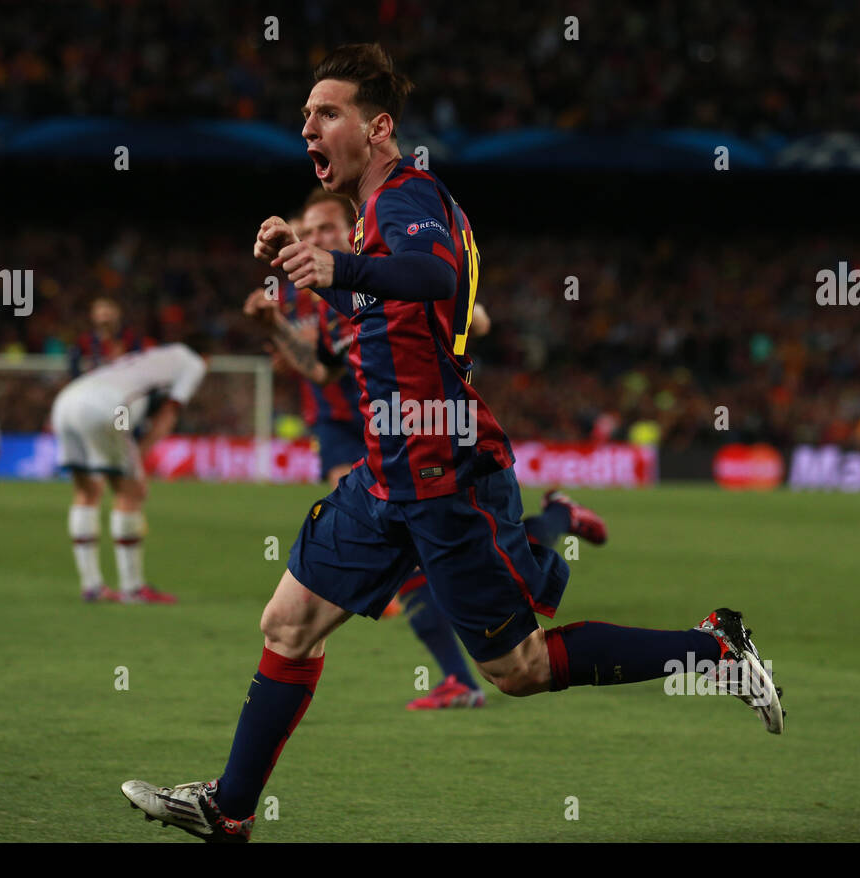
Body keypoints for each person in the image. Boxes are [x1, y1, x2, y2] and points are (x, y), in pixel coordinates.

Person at [122, 43, 783, 842]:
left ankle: (710, 649)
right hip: (386, 472)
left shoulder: (406, 197)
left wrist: (336, 266)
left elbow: (433, 278)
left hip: (441, 472)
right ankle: (228, 810)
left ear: (380, 127)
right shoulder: (383, 215)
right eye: (304, 117)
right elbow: (391, 323)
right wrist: (316, 269)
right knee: (287, 624)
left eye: (327, 113)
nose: (309, 129)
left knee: (521, 670)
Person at [246, 190, 608, 710]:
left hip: (425, 431)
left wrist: (468, 320)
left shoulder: (392, 265)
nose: (316, 238)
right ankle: (554, 520)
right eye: (310, 230)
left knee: (439, 556)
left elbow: (462, 309)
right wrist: (276, 328)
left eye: (326, 228)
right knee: (436, 556)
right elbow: (323, 369)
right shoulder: (328, 300)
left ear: (352, 228)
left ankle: (459, 673)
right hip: (363, 431)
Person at [51, 343, 207, 603]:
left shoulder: (145, 355)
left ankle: (92, 586)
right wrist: (141, 456)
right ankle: (132, 589)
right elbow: (169, 413)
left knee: (86, 491)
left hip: (66, 401)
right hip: (107, 406)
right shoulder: (194, 362)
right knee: (131, 492)